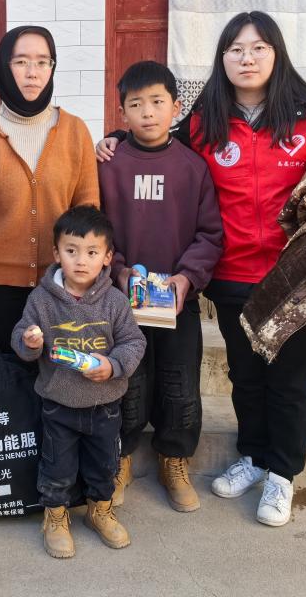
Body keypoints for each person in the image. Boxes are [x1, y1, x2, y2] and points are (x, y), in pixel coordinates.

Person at [97, 11, 306, 526]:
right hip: (234, 274)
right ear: (222, 58)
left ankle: (282, 474)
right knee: (246, 376)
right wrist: (115, 139)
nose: (247, 58)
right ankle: (253, 456)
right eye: (235, 49)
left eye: (258, 48)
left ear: (276, 53)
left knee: (291, 381)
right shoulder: (205, 119)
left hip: (299, 275)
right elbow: (155, 137)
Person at [97, 61, 222, 513]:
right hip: (121, 302)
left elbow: (210, 234)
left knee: (179, 382)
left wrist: (187, 277)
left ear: (176, 106)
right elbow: (96, 228)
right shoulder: (108, 165)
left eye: (157, 102)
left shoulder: (192, 167)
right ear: (122, 112)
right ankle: (121, 458)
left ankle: (174, 458)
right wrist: (118, 271)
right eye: (136, 104)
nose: (147, 113)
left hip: (176, 302)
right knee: (126, 382)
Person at [11, 205, 146, 559]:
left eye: (92, 252)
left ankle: (100, 511)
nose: (81, 261)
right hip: (59, 404)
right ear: (57, 253)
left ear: (107, 257)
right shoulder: (41, 300)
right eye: (71, 251)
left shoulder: (115, 302)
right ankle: (55, 517)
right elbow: (21, 336)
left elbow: (134, 342)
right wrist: (29, 342)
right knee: (57, 465)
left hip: (105, 405)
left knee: (105, 465)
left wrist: (113, 366)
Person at [0, 26, 99, 354]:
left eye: (42, 62)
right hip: (1, 290)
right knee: (5, 377)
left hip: (63, 283)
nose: (32, 73)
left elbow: (89, 212)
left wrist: (84, 280)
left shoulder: (75, 131)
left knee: (61, 376)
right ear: (4, 67)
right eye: (21, 62)